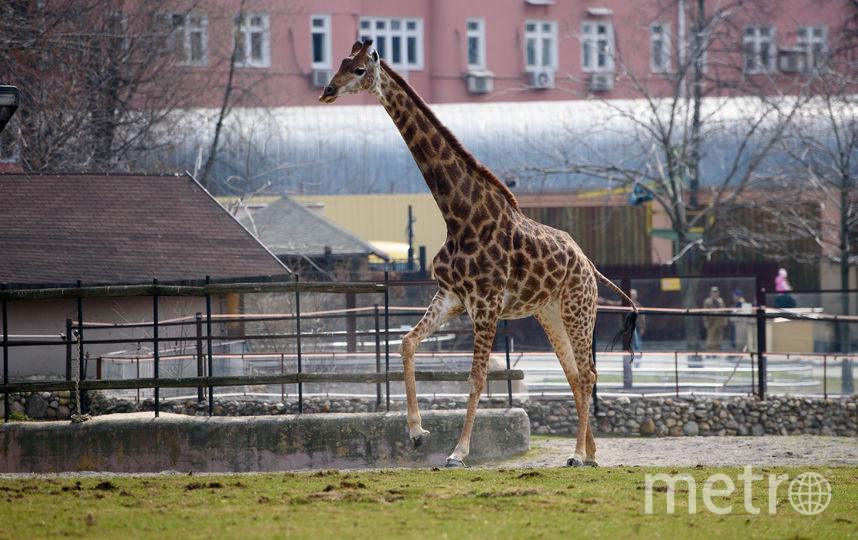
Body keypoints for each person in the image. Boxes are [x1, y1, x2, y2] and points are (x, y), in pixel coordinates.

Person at [703, 286, 727, 352]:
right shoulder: (707, 301)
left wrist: (725, 320)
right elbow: (704, 312)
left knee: (718, 338)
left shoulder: (721, 301)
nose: (715, 294)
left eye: (716, 292)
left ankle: (716, 351)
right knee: (710, 338)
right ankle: (709, 351)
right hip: (711, 322)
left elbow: (724, 311)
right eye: (713, 292)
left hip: (719, 321)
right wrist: (706, 322)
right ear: (710, 293)